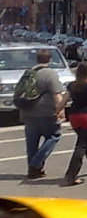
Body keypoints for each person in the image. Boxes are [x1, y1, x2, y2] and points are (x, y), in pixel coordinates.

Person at [21, 49, 65, 179]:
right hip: (46, 112)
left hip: (28, 111)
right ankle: (36, 164)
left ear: (37, 59)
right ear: (50, 60)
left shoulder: (28, 73)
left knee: (31, 142)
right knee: (54, 136)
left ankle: (33, 170)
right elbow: (57, 94)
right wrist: (61, 111)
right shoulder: (51, 74)